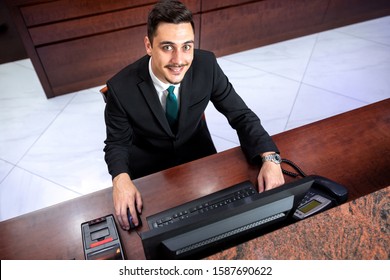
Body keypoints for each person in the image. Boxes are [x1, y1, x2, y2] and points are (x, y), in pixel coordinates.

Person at [104, 0, 285, 230]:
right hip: (150, 173)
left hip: (200, 160)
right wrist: (120, 179)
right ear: (149, 45)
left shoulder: (206, 66)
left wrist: (270, 157)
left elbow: (241, 115)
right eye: (167, 47)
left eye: (186, 46)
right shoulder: (120, 89)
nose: (179, 60)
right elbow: (116, 144)